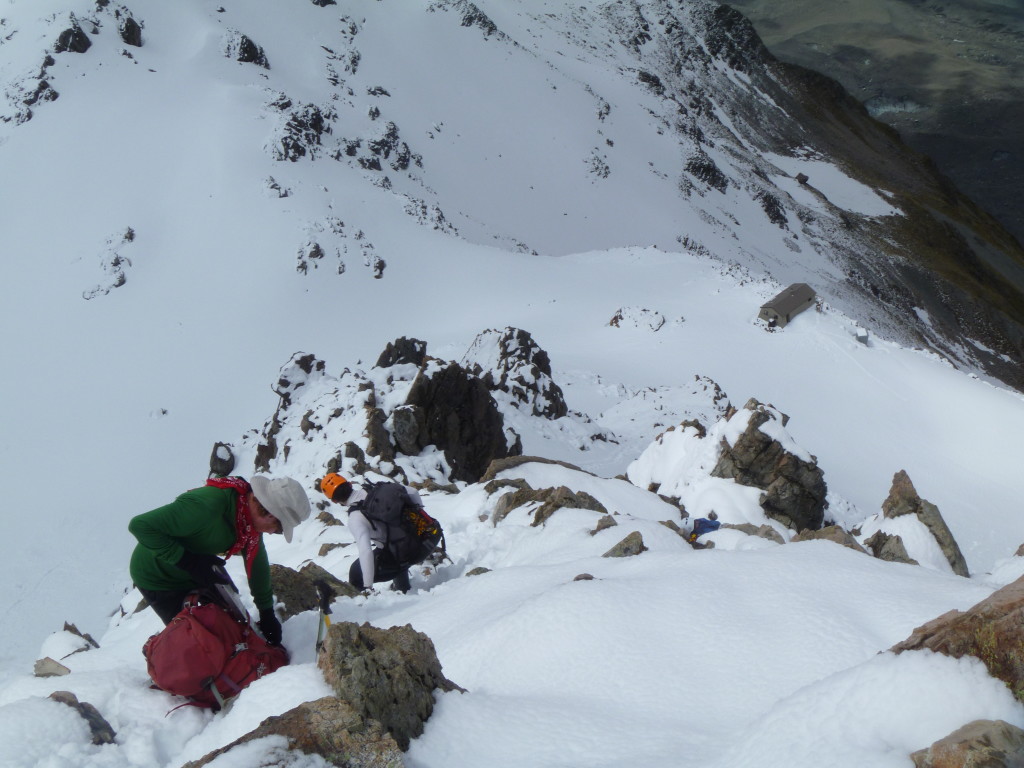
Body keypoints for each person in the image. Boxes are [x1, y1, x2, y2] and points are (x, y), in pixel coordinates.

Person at [128, 474, 311, 645]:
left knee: (232, 623)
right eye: (278, 528)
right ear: (269, 513)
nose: (273, 533)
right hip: (157, 576)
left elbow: (257, 563)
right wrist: (188, 561)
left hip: (199, 567)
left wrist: (266, 611)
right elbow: (141, 526)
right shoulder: (206, 505)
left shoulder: (247, 523)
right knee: (191, 638)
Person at [320, 472, 431, 594]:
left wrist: (368, 586)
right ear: (350, 484)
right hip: (426, 537)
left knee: (356, 572)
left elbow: (365, 551)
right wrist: (421, 520)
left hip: (408, 554)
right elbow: (413, 492)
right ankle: (403, 588)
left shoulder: (355, 518)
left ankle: (366, 600)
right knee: (393, 544)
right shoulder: (376, 490)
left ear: (335, 501)